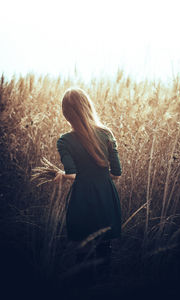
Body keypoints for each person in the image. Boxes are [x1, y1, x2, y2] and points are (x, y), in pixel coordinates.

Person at [54, 87, 122, 283]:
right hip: (105, 196)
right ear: (88, 106)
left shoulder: (65, 141)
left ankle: (84, 287)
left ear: (66, 113)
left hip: (82, 198)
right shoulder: (107, 134)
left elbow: (72, 174)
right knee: (104, 250)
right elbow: (117, 173)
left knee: (83, 249)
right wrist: (100, 176)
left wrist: (61, 175)